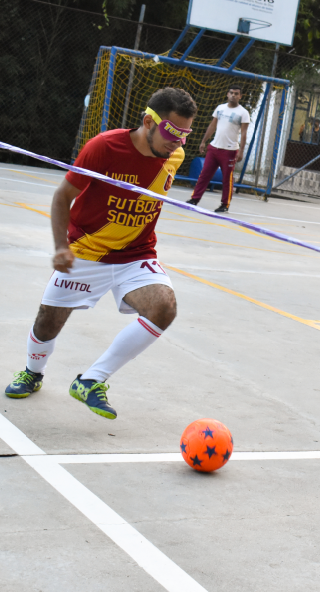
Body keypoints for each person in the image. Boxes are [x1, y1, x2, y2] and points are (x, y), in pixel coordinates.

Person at [4, 88, 198, 419]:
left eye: (185, 135)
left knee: (164, 307)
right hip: (86, 252)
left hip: (136, 255)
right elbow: (62, 197)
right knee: (47, 323)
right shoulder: (104, 147)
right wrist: (61, 247)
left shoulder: (173, 157)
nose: (177, 142)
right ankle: (33, 372)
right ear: (148, 122)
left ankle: (92, 379)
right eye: (171, 131)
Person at [187, 84, 250, 213]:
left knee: (227, 178)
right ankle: (194, 199)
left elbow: (243, 133)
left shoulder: (243, 113)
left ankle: (224, 204)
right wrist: (204, 141)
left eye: (236, 93)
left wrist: (241, 151)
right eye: (231, 92)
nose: (233, 95)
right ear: (227, 94)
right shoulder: (220, 108)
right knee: (204, 175)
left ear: (240, 96)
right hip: (214, 147)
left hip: (230, 151)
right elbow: (212, 125)